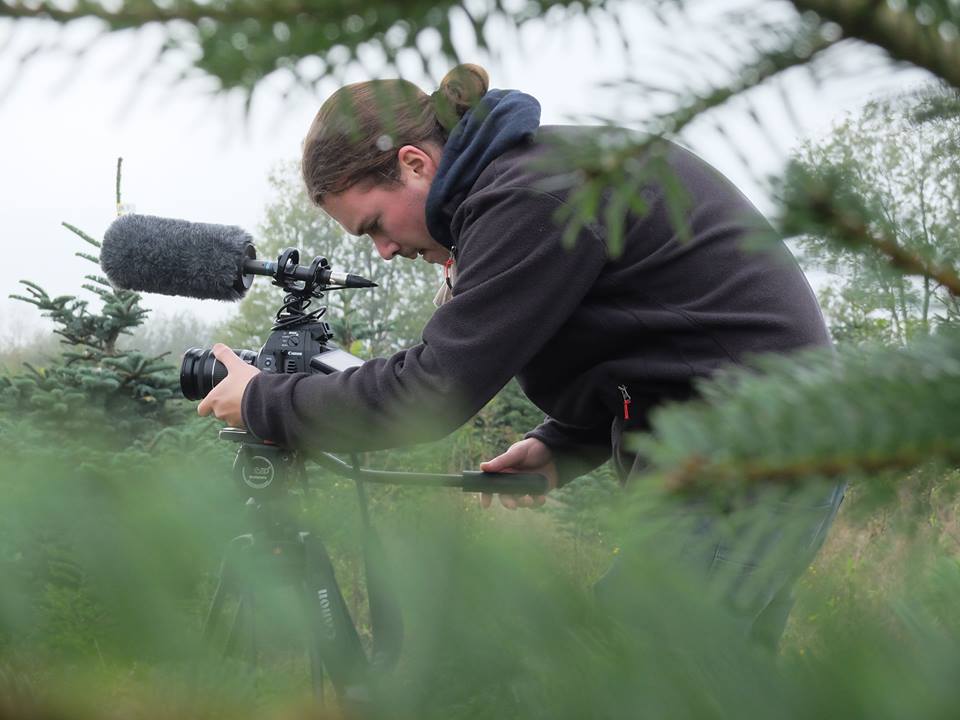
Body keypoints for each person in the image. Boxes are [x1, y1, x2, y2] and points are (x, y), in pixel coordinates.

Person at [197, 64, 843, 648]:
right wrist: (565, 442)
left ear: (416, 163)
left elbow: (430, 391)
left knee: (634, 666)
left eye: (373, 225)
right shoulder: (532, 178)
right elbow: (659, 335)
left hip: (749, 456)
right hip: (761, 441)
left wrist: (259, 400)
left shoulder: (530, 194)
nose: (384, 252)